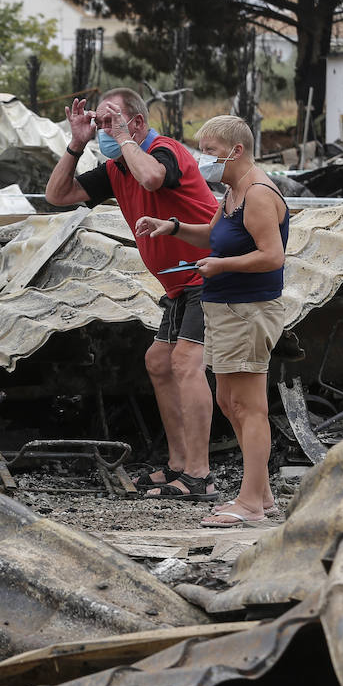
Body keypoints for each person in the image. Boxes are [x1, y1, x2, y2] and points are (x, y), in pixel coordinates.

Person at [45, 88, 221, 500]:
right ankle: (178, 463)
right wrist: (76, 143)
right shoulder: (116, 168)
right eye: (101, 123)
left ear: (137, 123)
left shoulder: (165, 152)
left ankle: (200, 475)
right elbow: (57, 196)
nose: (103, 130)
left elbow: (153, 178)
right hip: (179, 285)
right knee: (158, 361)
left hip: (210, 274)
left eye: (110, 121)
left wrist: (123, 136)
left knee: (185, 363)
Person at [134, 115, 287, 526]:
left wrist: (221, 267)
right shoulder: (232, 192)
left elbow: (273, 256)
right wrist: (173, 228)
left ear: (235, 151)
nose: (204, 158)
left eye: (211, 150)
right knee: (227, 401)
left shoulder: (256, 192)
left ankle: (251, 504)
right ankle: (264, 495)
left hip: (248, 310)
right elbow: (214, 236)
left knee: (249, 405)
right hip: (224, 310)